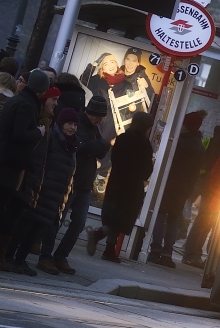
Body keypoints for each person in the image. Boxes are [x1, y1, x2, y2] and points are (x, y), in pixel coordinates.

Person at [19, 109, 79, 276]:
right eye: (69, 123)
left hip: (56, 194)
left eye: (75, 124)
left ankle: (19, 260)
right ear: (61, 123)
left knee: (37, 228)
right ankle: (15, 259)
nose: (72, 128)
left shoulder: (72, 144)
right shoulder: (53, 137)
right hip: (44, 190)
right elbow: (41, 161)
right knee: (29, 226)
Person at [88, 112, 154, 263]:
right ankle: (100, 238)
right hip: (132, 186)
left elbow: (114, 158)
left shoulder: (122, 138)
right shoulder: (144, 144)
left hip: (117, 182)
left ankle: (108, 248)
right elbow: (146, 168)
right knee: (121, 219)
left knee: (113, 216)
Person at [181, 115, 220, 268]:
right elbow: (215, 167)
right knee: (203, 221)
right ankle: (191, 254)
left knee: (207, 222)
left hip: (214, 188)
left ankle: (194, 254)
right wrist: (213, 188)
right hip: (212, 187)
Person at [0, 69, 49, 271]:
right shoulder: (26, 105)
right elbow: (20, 134)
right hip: (10, 166)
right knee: (4, 210)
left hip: (6, 162)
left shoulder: (18, 100)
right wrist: (38, 132)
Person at [147, 111, 206, 268]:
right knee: (173, 219)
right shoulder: (199, 146)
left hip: (168, 183)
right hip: (183, 188)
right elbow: (196, 171)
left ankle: (155, 250)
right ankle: (167, 253)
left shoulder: (177, 142)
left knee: (160, 215)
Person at [62, 97, 111, 271]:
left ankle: (61, 256)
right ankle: (45, 254)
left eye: (102, 117)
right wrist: (102, 144)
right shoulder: (80, 123)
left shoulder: (94, 128)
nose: (99, 120)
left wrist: (100, 146)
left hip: (85, 182)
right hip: (74, 179)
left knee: (79, 222)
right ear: (89, 113)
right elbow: (83, 147)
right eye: (97, 116)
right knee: (58, 220)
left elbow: (100, 153)